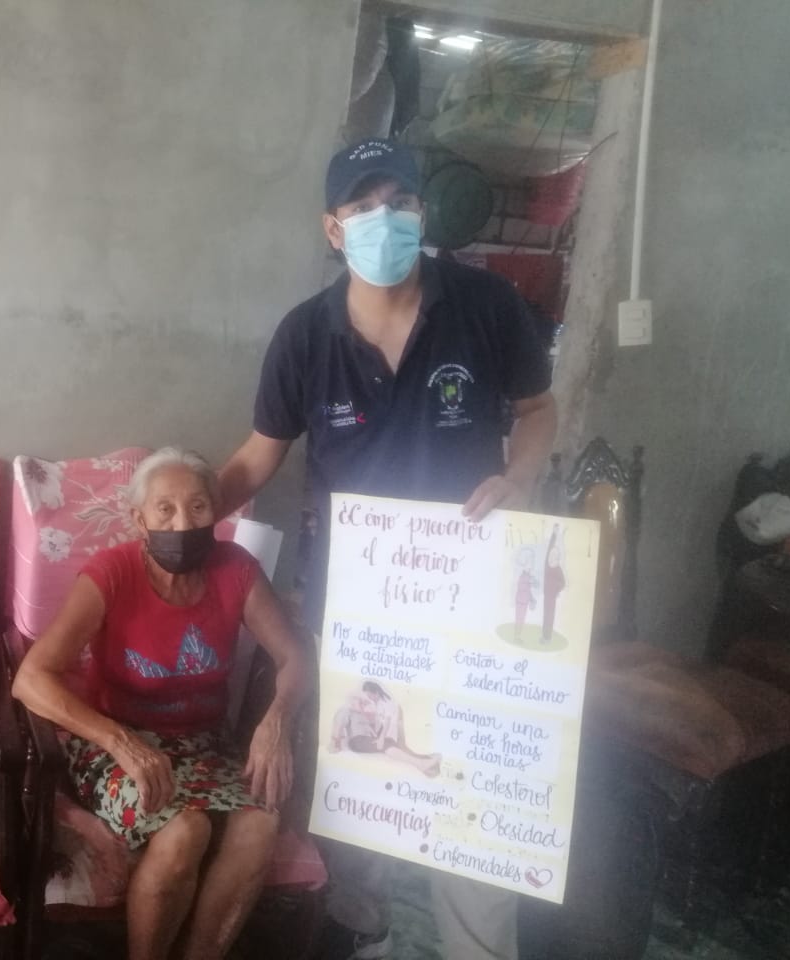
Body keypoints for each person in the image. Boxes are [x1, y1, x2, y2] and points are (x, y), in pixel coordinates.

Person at [218, 137, 557, 960]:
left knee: (474, 797)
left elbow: (538, 410)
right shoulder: (306, 336)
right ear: (333, 229)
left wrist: (517, 478)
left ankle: (479, 950)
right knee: (363, 779)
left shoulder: (486, 305)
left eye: (399, 201)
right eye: (364, 205)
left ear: (423, 210)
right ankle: (360, 930)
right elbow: (258, 457)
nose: (386, 218)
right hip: (359, 603)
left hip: (472, 600)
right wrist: (187, 512)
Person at [12, 447, 311, 960]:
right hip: (113, 742)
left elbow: (295, 656)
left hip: (204, 744)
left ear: (215, 511)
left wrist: (277, 720)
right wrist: (120, 742)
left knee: (260, 823)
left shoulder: (236, 569)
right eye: (165, 509)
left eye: (198, 507)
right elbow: (30, 679)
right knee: (185, 829)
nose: (182, 523)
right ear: (139, 520)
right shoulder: (112, 573)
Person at [329, 681, 440, 777]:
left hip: (366, 740)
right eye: (359, 701)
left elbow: (373, 729)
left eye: (363, 701)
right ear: (351, 702)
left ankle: (427, 764)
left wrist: (377, 736)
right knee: (385, 743)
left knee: (389, 741)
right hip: (357, 741)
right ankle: (420, 764)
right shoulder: (346, 711)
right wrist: (335, 744)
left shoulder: (364, 714)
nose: (363, 703)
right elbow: (338, 727)